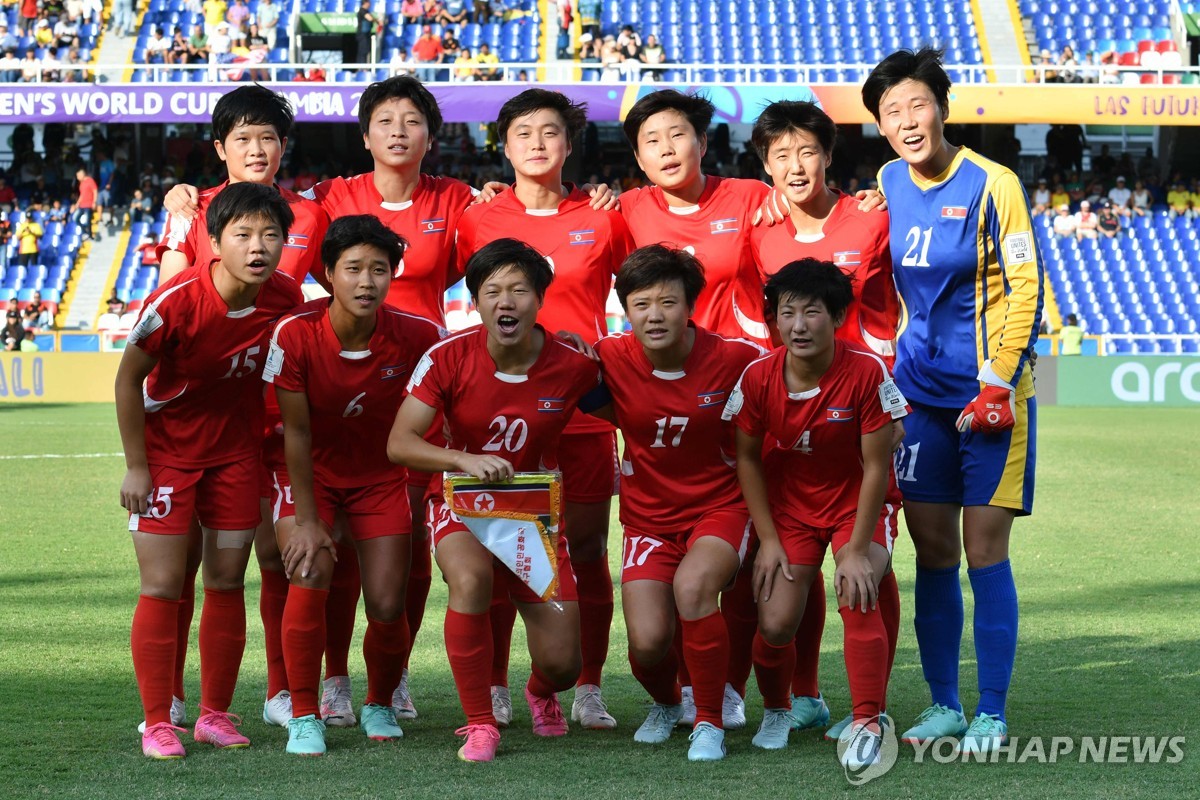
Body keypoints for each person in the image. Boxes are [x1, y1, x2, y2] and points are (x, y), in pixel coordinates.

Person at [863, 47, 1042, 754]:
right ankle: (943, 704)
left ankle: (992, 712)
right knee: (933, 553)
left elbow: (1027, 288)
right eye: (891, 112)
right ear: (879, 126)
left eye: (917, 104)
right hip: (917, 401)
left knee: (984, 550)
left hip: (990, 400)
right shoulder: (886, 179)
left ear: (942, 106)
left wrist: (998, 381)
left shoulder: (994, 184)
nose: (907, 121)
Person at [386, 238, 610, 762]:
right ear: (478, 302)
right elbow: (400, 442)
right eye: (492, 292)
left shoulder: (573, 366)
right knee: (470, 579)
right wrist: (463, 461)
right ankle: (480, 722)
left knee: (564, 665)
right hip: (461, 500)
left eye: (519, 291)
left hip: (530, 513)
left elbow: (631, 410)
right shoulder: (446, 358)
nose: (505, 302)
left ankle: (537, 693)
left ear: (539, 298)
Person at [151, 85, 331, 734]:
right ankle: (168, 695)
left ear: (284, 146)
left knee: (270, 555)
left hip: (271, 414)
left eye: (269, 138)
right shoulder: (187, 210)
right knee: (185, 562)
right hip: (198, 417)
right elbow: (168, 294)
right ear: (221, 147)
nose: (257, 150)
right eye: (243, 139)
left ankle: (280, 691)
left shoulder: (314, 212)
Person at [454, 88, 634, 732]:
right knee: (503, 550)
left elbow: (647, 290)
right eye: (522, 132)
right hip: (497, 421)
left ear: (568, 144)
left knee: (585, 551)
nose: (536, 142)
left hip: (580, 417)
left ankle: (585, 684)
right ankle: (498, 685)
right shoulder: (475, 217)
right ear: (502, 145)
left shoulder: (606, 216)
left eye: (550, 132)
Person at [115, 182, 303, 759]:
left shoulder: (286, 298)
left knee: (225, 582)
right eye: (243, 234)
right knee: (164, 585)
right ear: (215, 241)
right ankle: (156, 722)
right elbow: (127, 381)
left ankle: (214, 715)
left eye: (271, 235)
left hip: (237, 460)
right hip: (170, 459)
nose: (258, 247)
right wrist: (136, 467)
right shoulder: (174, 302)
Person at [748, 100, 905, 741]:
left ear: (828, 155)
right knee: (797, 579)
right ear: (764, 165)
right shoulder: (757, 229)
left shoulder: (872, 218)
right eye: (780, 154)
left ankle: (871, 707)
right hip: (793, 417)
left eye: (806, 150)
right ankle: (802, 696)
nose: (794, 165)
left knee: (866, 567)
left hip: (872, 401)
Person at [264, 215, 444, 755]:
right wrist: (310, 519)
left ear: (394, 275)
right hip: (308, 476)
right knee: (311, 568)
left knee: (389, 604)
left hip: (380, 481)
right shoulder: (294, 333)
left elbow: (461, 375)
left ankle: (379, 701)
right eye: (353, 269)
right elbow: (295, 430)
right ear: (327, 274)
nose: (366, 282)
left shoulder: (418, 336)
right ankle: (302, 712)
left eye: (379, 270)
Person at [725, 259, 900, 766]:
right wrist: (770, 540)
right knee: (775, 624)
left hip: (857, 504)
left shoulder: (867, 370)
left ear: (838, 315)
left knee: (857, 587)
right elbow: (747, 459)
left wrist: (855, 551)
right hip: (792, 512)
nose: (798, 325)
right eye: (787, 313)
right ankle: (781, 708)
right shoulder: (757, 376)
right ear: (774, 320)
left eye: (812, 312)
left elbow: (875, 465)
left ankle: (868, 719)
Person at [595, 244, 764, 761]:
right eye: (640, 303)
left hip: (721, 507)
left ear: (690, 305)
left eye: (667, 302)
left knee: (693, 590)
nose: (654, 315)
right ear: (626, 309)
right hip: (647, 519)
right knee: (647, 644)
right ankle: (671, 703)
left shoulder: (736, 359)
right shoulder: (608, 358)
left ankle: (709, 721)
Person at [72, 165, 99, 240]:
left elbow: (95, 191)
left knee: (88, 220)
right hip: (82, 205)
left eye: (78, 176)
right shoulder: (81, 183)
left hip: (88, 204)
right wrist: (77, 203)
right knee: (75, 218)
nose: (77, 178)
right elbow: (82, 194)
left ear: (82, 175)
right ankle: (85, 231)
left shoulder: (90, 180)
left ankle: (90, 235)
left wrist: (94, 202)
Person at [355, 0, 378, 64]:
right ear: (365, 3)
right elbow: (370, 18)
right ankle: (362, 67)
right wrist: (377, 20)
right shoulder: (362, 11)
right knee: (362, 51)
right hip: (362, 35)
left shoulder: (366, 11)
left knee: (366, 51)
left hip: (366, 34)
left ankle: (364, 66)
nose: (370, 4)